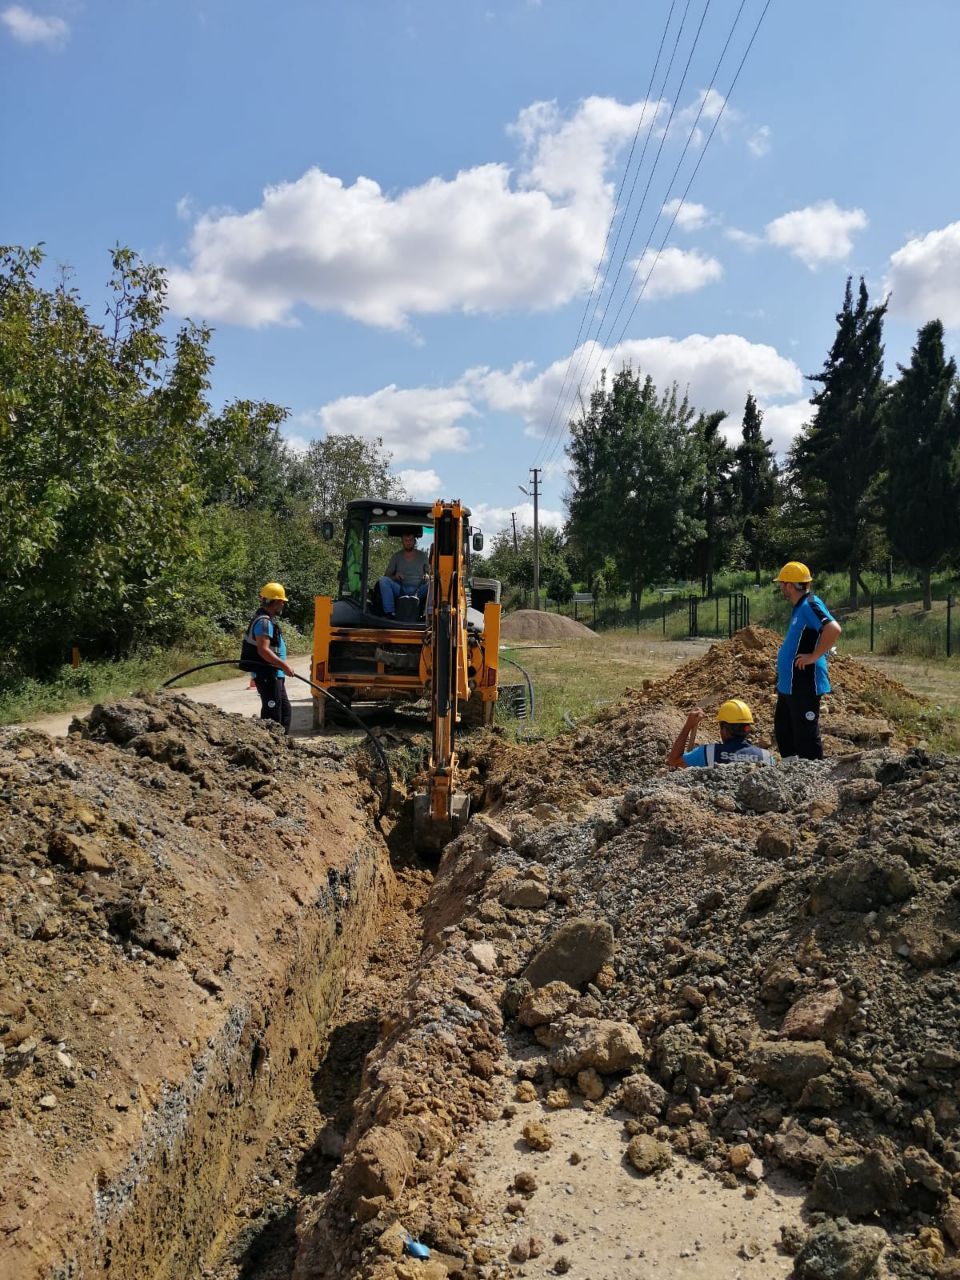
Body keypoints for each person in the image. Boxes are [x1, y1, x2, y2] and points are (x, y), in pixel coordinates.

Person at [774, 561, 842, 760]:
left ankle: (814, 779)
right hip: (789, 685)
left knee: (806, 738)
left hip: (804, 682)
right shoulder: (800, 606)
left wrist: (814, 656)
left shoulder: (810, 604)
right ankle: (792, 776)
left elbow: (833, 629)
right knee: (784, 733)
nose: (780, 588)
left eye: (782, 584)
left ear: (789, 585)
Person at [239, 582, 295, 733]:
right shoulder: (263, 622)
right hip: (267, 674)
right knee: (273, 716)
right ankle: (270, 748)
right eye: (282, 601)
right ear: (275, 602)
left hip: (274, 674)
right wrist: (284, 666)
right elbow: (263, 650)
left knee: (284, 712)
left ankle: (282, 748)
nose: (283, 604)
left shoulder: (267, 620)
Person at [667, 699, 775, 769]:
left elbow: (674, 760)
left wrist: (688, 726)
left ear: (725, 730)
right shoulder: (767, 757)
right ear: (747, 729)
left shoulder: (707, 753)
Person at [379, 529, 429, 617]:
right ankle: (390, 613)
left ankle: (429, 614)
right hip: (401, 589)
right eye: (406, 540)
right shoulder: (396, 557)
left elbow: (430, 573)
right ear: (402, 541)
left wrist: (428, 576)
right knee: (383, 580)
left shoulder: (423, 556)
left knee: (434, 583)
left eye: (410, 540)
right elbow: (387, 576)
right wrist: (395, 577)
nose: (408, 542)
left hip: (419, 590)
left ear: (414, 541)